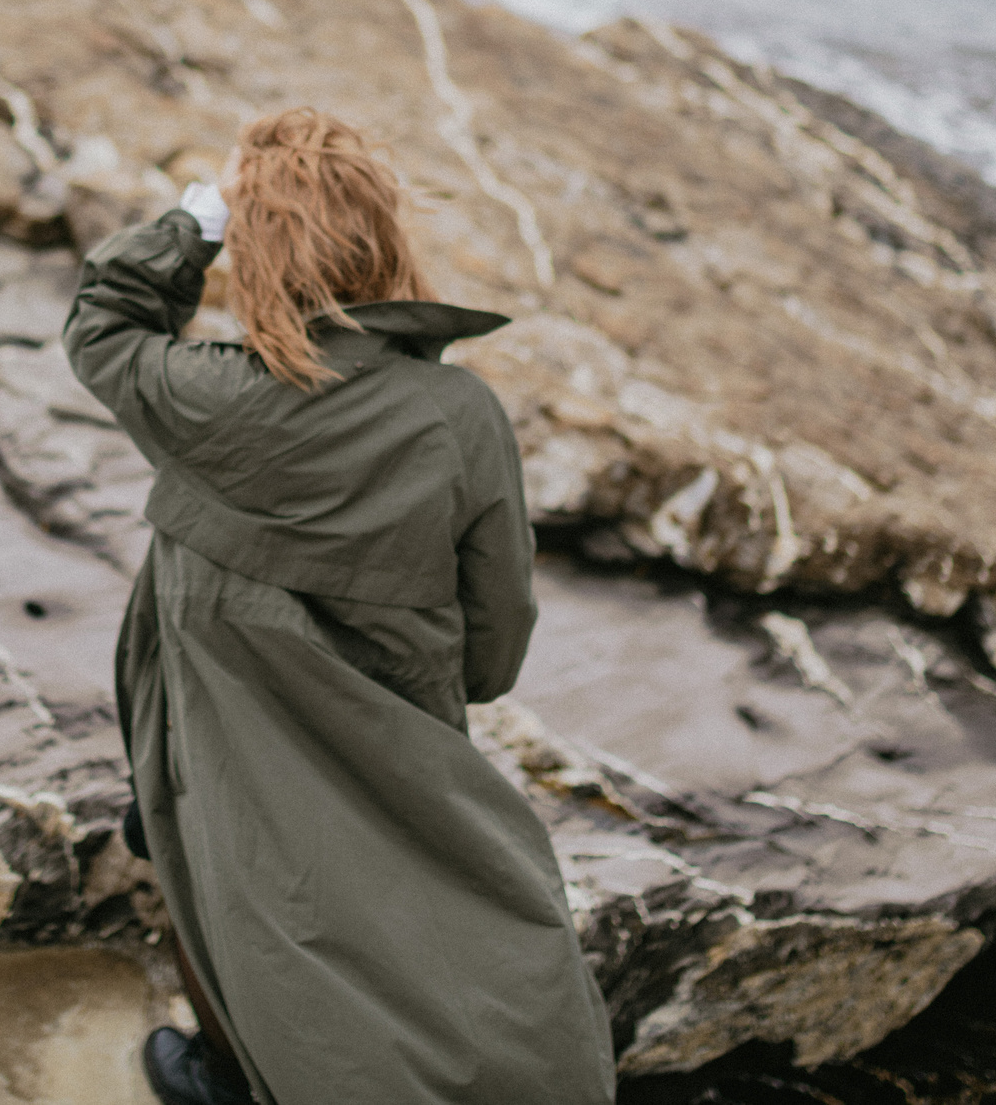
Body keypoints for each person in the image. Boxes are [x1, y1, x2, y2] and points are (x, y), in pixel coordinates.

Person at [62, 108, 617, 1105]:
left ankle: (233, 1074)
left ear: (254, 253)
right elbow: (496, 649)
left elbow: (103, 322)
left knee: (220, 873)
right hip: (389, 740)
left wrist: (196, 219)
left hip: (210, 745)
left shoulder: (206, 396)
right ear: (385, 244)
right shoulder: (458, 418)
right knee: (429, 916)